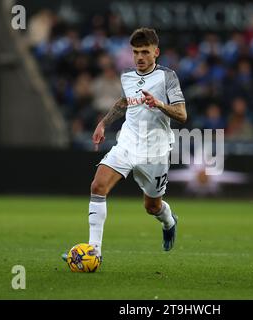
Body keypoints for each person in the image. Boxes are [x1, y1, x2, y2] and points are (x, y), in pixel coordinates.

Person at [62, 28, 187, 265]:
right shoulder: (128, 75)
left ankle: (169, 221)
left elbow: (182, 114)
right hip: (128, 143)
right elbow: (124, 102)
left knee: (152, 206)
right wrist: (103, 123)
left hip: (156, 150)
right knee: (98, 185)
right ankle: (93, 251)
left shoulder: (167, 77)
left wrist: (159, 103)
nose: (139, 57)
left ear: (156, 52)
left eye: (145, 52)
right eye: (136, 52)